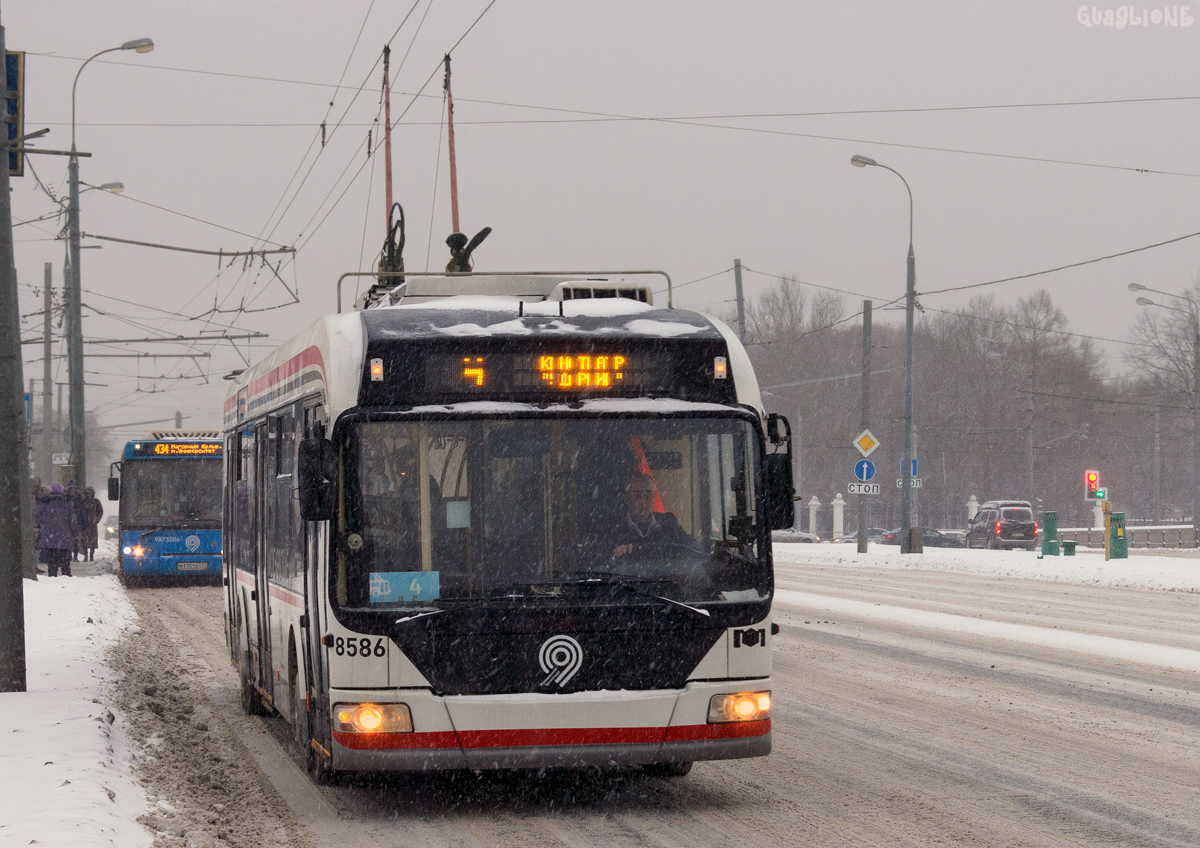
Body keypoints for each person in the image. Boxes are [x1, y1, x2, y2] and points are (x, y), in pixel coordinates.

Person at [608, 472, 697, 559]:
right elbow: (605, 559)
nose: (643, 501)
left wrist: (634, 549)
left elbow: (694, 548)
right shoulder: (613, 527)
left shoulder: (668, 521)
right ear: (626, 499)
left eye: (648, 495)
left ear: (654, 497)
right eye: (637, 495)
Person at [35, 482, 79, 577]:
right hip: (65, 536)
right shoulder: (67, 502)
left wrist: (42, 529)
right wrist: (75, 533)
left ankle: (52, 575)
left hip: (49, 537)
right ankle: (66, 576)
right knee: (65, 561)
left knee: (52, 560)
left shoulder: (45, 502)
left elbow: (38, 517)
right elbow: (72, 520)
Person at [79, 486, 104, 562]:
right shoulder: (83, 502)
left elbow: (100, 512)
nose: (89, 495)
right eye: (87, 493)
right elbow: (80, 512)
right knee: (84, 541)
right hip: (85, 525)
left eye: (90, 493)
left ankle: (91, 556)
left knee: (93, 542)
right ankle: (85, 556)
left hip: (93, 525)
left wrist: (96, 520)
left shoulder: (96, 502)